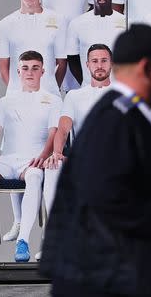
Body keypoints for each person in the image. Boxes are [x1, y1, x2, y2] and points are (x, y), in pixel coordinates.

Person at [38, 24, 151, 296]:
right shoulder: (115, 120)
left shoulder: (125, 115)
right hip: (109, 279)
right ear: (147, 68)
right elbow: (106, 195)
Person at [0, 51, 61, 263]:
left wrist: (43, 156)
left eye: (35, 68)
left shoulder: (53, 101)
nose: (30, 72)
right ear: (18, 71)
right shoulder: (5, 101)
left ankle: (22, 241)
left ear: (43, 71)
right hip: (7, 160)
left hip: (33, 160)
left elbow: (54, 133)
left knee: (34, 176)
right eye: (25, 68)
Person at [43, 44, 113, 225]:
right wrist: (57, 152)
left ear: (111, 64)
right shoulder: (74, 96)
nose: (99, 65)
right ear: (87, 64)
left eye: (104, 60)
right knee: (52, 167)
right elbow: (64, 128)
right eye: (95, 61)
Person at [0, 0, 67, 97]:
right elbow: (3, 68)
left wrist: (51, 90)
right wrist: (17, 92)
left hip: (49, 95)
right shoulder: (5, 25)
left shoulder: (59, 21)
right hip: (16, 96)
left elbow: (62, 63)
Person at [66, 0, 126, 86]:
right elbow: (72, 59)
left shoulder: (127, 23)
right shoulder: (77, 24)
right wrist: (87, 84)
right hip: (88, 88)